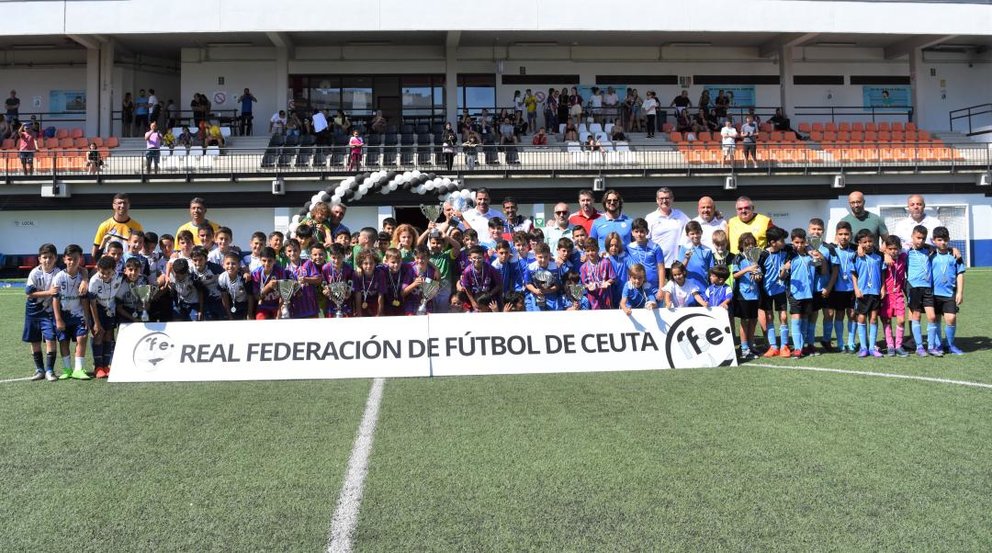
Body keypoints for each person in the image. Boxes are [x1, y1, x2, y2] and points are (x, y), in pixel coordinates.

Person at [783, 228, 827, 358]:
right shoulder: (789, 255)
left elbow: (823, 272)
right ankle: (797, 348)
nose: (799, 245)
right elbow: (782, 276)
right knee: (796, 319)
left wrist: (821, 258)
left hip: (809, 293)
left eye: (802, 242)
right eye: (796, 242)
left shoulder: (811, 256)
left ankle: (803, 347)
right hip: (795, 293)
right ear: (792, 242)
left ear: (805, 242)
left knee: (805, 320)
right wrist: (785, 269)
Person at [50, 244, 91, 380]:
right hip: (63, 315)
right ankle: (67, 369)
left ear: (80, 259)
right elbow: (55, 300)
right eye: (69, 259)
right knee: (64, 341)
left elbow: (85, 300)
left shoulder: (82, 276)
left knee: (82, 338)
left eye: (75, 258)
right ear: (64, 260)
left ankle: (78, 369)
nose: (72, 262)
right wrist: (58, 319)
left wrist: (87, 317)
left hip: (78, 314)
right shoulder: (59, 277)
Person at [23, 243, 61, 381]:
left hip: (49, 311)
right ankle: (39, 369)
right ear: (39, 259)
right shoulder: (34, 273)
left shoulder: (58, 273)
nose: (47, 260)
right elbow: (29, 294)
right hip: (33, 311)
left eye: (50, 257)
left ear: (55, 258)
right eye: (44, 257)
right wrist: (49, 292)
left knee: (51, 339)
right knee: (35, 341)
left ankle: (50, 370)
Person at [930, 226, 966, 355]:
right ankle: (938, 345)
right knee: (936, 319)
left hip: (949, 293)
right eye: (939, 240)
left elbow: (960, 273)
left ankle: (950, 344)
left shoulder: (955, 255)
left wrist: (960, 292)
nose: (942, 243)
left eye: (945, 240)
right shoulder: (930, 254)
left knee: (951, 318)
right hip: (933, 294)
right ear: (934, 240)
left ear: (949, 239)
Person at [87, 255, 123, 378]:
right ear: (98, 269)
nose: (105, 275)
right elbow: (91, 303)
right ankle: (98, 367)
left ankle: (106, 366)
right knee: (99, 334)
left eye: (108, 273)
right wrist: (96, 322)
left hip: (110, 309)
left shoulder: (119, 276)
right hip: (98, 309)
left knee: (108, 335)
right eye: (102, 272)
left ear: (114, 270)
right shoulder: (94, 281)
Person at [759, 227, 792, 358]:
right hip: (766, 291)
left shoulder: (786, 250)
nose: (784, 242)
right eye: (781, 240)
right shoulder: (763, 255)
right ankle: (773, 346)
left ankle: (784, 346)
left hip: (780, 289)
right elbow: (758, 270)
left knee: (783, 317)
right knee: (769, 317)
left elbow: (798, 246)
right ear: (772, 242)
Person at [851, 229, 885, 357]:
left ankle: (872, 347)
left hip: (875, 291)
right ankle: (863, 347)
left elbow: (882, 273)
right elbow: (853, 274)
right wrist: (856, 289)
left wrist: (883, 288)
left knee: (873, 318)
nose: (868, 244)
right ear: (859, 243)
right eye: (864, 242)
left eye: (870, 241)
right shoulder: (856, 256)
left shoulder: (879, 256)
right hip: (862, 292)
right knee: (861, 317)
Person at [646, 187, 690, 274]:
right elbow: (645, 241)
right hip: (656, 265)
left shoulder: (681, 215)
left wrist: (715, 215)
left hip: (676, 265)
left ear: (672, 199)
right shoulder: (650, 218)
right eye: (661, 198)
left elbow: (695, 226)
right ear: (657, 200)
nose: (664, 201)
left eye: (667, 198)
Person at [732, 232, 762, 360]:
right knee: (745, 321)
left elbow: (759, 277)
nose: (750, 247)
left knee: (753, 320)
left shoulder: (755, 258)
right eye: (747, 244)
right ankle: (743, 348)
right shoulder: (738, 258)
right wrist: (748, 269)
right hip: (742, 295)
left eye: (752, 244)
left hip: (755, 294)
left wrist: (757, 277)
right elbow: (734, 275)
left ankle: (751, 345)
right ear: (741, 245)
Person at [880, 235, 909, 357]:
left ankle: (899, 345)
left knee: (901, 320)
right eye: (890, 249)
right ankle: (890, 345)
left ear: (900, 248)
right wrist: (884, 254)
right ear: (886, 248)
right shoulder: (882, 259)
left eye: (895, 248)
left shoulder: (904, 257)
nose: (893, 251)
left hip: (898, 294)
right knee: (886, 320)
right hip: (886, 295)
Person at [92, 193, 143, 260]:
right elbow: (94, 253)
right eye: (119, 203)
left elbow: (141, 249)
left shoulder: (137, 226)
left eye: (125, 203)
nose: (122, 205)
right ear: (113, 205)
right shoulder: (104, 225)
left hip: (128, 266)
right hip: (109, 267)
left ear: (129, 205)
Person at [579, 238, 615, 310]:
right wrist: (588, 286)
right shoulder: (583, 267)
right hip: (592, 300)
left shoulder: (606, 262)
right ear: (585, 252)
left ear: (598, 249)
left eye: (593, 250)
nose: (590, 253)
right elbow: (583, 284)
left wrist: (607, 282)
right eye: (588, 251)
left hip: (606, 298)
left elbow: (613, 278)